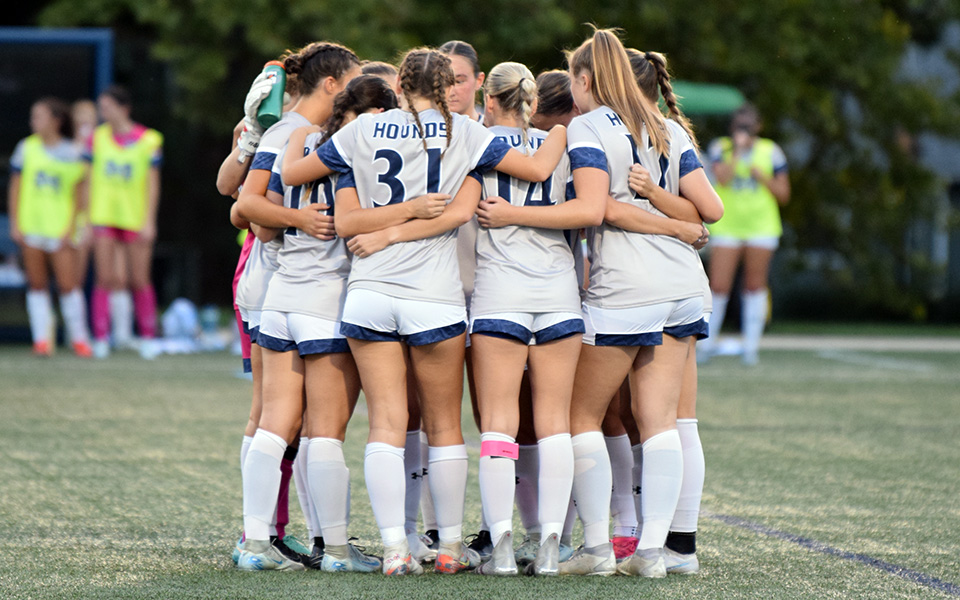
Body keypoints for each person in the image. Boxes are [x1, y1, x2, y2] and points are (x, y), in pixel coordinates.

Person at [282, 46, 566, 576]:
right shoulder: (465, 130)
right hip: (433, 295)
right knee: (443, 426)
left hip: (370, 289)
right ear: (446, 87)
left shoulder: (364, 130)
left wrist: (292, 132)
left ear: (400, 83)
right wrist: (565, 131)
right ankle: (452, 548)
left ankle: (394, 548)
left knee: (387, 424)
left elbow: (295, 172)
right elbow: (536, 166)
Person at [560, 28, 713, 578]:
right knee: (660, 421)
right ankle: (653, 551)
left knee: (581, 415)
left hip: (626, 286)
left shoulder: (586, 124)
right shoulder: (667, 124)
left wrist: (669, 223)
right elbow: (706, 213)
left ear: (585, 80)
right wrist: (679, 227)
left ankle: (598, 547)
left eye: (574, 83)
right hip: (683, 285)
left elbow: (601, 209)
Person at [466, 61, 603, 577]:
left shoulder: (478, 141)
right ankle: (550, 545)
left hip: (501, 292)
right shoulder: (564, 144)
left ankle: (501, 546)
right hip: (559, 294)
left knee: (500, 425)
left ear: (493, 100)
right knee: (554, 425)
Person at [233, 41, 362, 572]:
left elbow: (246, 201)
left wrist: (290, 220)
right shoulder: (342, 136)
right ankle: (333, 550)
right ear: (331, 84)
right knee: (324, 430)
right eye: (351, 82)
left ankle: (256, 544)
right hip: (324, 296)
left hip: (281, 295)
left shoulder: (283, 132)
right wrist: (305, 220)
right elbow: (249, 208)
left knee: (273, 423)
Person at [701, 103, 790, 365]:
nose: (744, 130)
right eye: (740, 126)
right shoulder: (721, 148)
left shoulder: (771, 151)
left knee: (754, 286)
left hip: (761, 227)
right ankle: (705, 346)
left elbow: (784, 194)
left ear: (759, 127)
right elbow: (722, 179)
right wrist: (738, 152)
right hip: (727, 226)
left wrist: (763, 177)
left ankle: (751, 347)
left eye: (749, 126)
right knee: (718, 287)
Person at [7, 97, 92, 357]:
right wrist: (16, 222)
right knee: (37, 284)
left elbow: (80, 193)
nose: (34, 122)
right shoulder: (26, 148)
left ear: (56, 121)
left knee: (68, 284)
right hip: (32, 224)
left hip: (60, 227)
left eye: (39, 116)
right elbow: (16, 188)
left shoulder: (74, 152)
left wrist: (73, 226)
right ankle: (42, 340)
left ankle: (79, 338)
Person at [85, 85, 163, 359]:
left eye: (106, 106)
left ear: (123, 108)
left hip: (134, 217)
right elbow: (89, 179)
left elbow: (153, 184)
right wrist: (85, 217)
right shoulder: (96, 139)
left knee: (139, 279)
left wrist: (149, 221)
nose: (102, 112)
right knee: (105, 278)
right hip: (104, 215)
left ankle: (148, 337)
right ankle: (101, 338)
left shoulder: (149, 140)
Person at [70, 100, 98, 283]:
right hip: (70, 213)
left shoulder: (103, 145)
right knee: (70, 273)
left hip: (95, 214)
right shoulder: (66, 148)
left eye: (89, 115)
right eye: (80, 114)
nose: (84, 119)